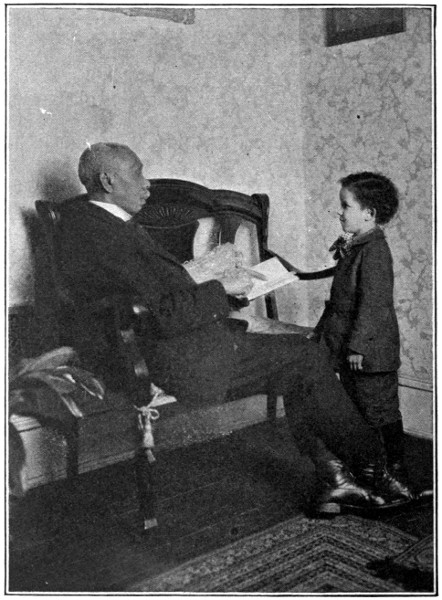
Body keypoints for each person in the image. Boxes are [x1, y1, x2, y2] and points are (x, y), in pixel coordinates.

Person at [58, 143, 414, 515]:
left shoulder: (94, 224)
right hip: (176, 356)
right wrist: (221, 289)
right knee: (307, 356)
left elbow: (158, 296)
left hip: (176, 342)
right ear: (108, 180)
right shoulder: (107, 235)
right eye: (138, 173)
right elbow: (162, 313)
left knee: (298, 359)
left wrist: (220, 293)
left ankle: (338, 479)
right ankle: (375, 471)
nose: (146, 184)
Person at [313, 172, 417, 498]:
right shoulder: (357, 246)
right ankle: (373, 472)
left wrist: (359, 346)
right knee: (360, 409)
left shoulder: (374, 251)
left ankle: (394, 473)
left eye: (346, 206)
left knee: (379, 411)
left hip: (370, 353)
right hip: (352, 348)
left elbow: (374, 303)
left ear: (369, 213)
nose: (340, 212)